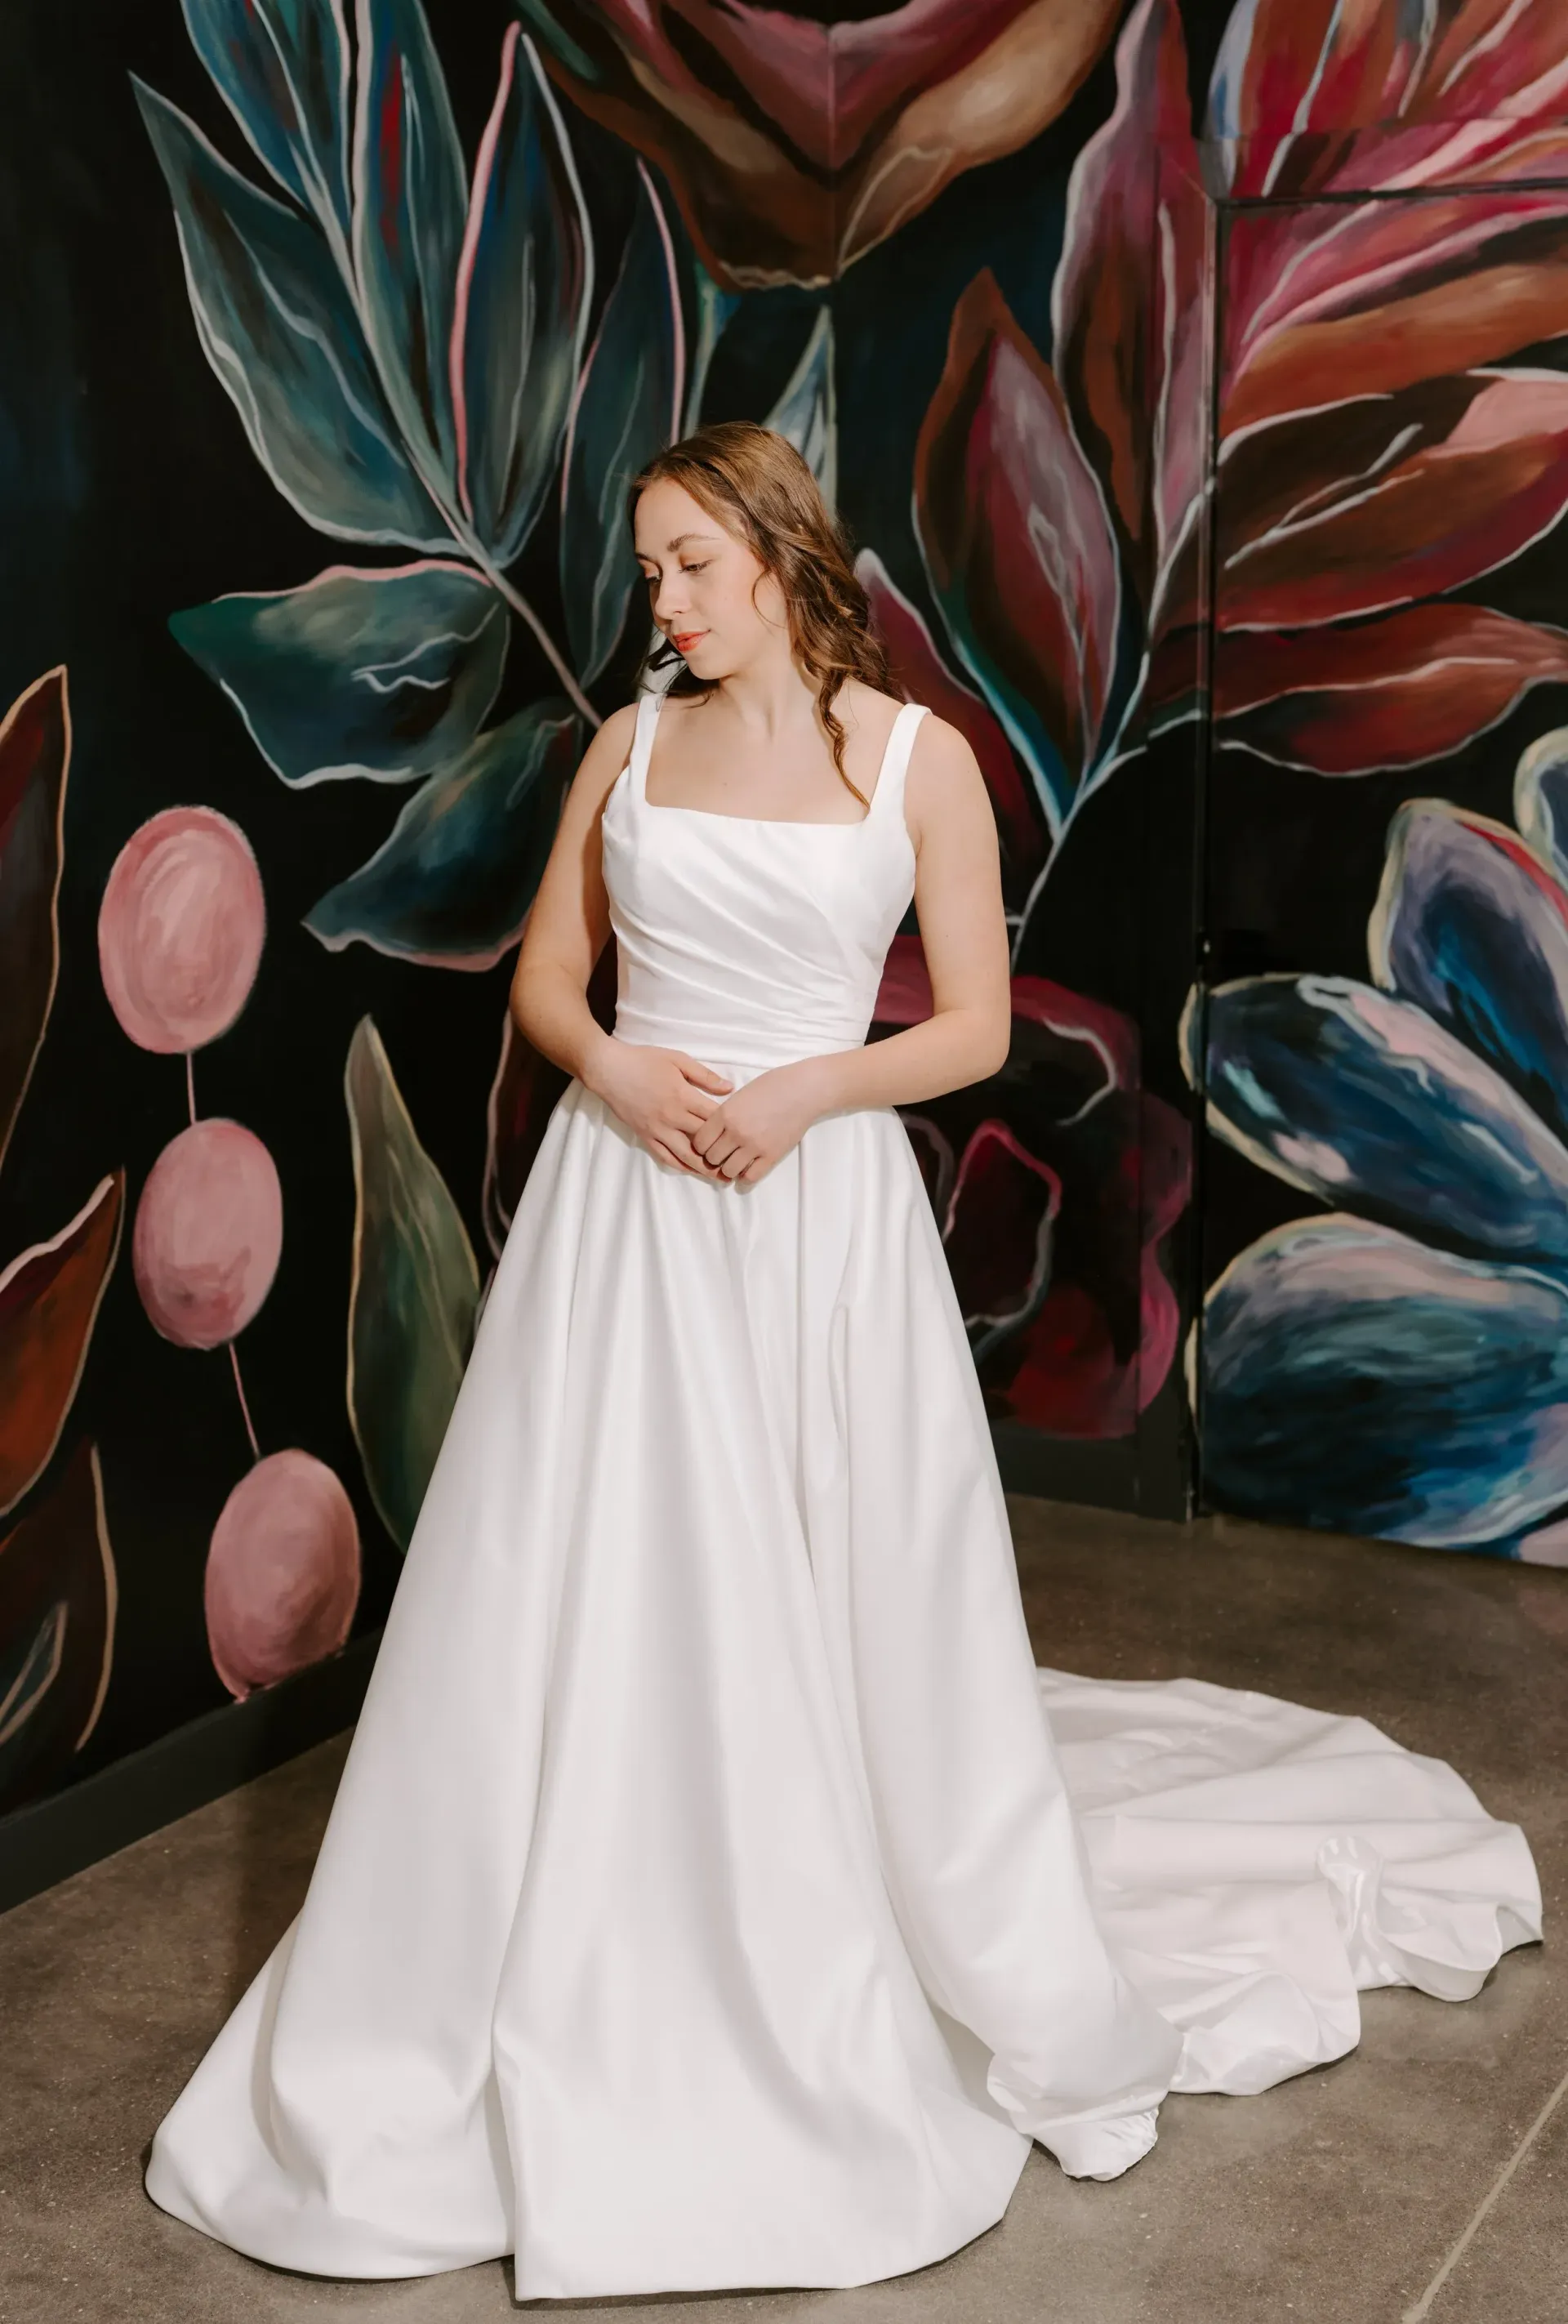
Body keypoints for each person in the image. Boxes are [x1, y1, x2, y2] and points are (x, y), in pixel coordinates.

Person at [145, 423, 1542, 2300]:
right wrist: (626, 1072)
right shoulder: (628, 749)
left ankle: (811, 1912)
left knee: (825, 1566)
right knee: (589, 1573)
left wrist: (810, 1090)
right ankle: (577, 1914)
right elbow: (553, 981)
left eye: (689, 567)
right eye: (649, 571)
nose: (661, 604)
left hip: (814, 1222)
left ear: (784, 554)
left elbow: (968, 1030)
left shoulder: (916, 761)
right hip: (625, 1219)